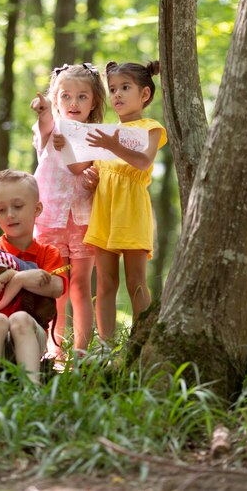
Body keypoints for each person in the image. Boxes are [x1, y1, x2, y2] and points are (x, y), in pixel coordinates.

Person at [83, 60, 167, 342]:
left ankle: (141, 342)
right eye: (114, 89)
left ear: (144, 95)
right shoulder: (103, 133)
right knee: (106, 283)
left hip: (132, 211)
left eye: (125, 88)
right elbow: (101, 171)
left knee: (136, 282)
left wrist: (113, 145)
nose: (117, 94)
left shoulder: (150, 127)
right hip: (104, 211)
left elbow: (143, 162)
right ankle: (105, 346)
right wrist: (92, 180)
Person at [0, 169, 67, 385]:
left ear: (37, 209)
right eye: (2, 209)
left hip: (28, 335)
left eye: (18, 206)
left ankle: (31, 392)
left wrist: (14, 278)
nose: (10, 214)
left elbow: (56, 287)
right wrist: (25, 278)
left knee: (21, 319)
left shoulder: (48, 253)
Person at [30, 63, 106, 358]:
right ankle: (54, 351)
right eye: (66, 96)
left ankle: (82, 352)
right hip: (50, 220)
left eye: (82, 97)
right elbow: (45, 126)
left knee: (80, 288)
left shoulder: (97, 136)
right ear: (56, 98)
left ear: (94, 101)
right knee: (56, 288)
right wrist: (45, 111)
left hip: (83, 221)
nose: (73, 103)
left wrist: (95, 179)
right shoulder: (52, 129)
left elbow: (94, 172)